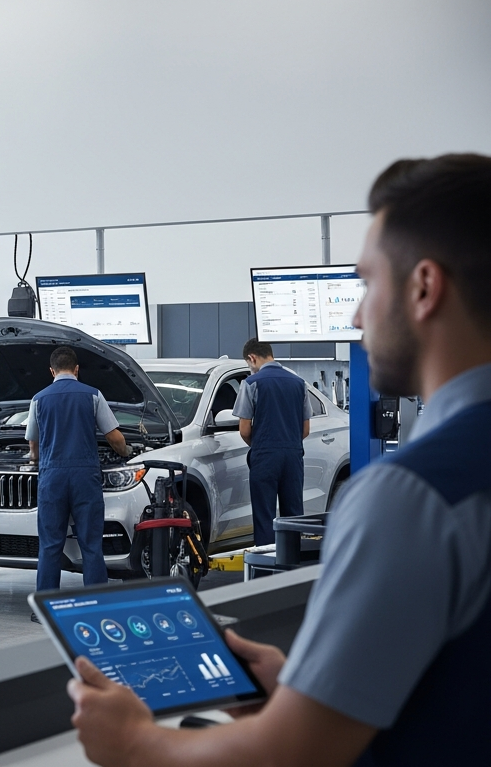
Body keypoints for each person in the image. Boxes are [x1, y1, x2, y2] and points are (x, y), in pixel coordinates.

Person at [68, 153, 491, 766]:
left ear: (424, 288)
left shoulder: (412, 497)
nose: (356, 316)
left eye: (368, 284)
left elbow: (294, 752)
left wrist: (135, 743)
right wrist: (310, 684)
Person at [27, 346, 131, 604]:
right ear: (76, 369)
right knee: (91, 544)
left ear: (51, 371)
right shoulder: (93, 395)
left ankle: (47, 606)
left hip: (52, 478)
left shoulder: (38, 399)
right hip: (85, 478)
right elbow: (114, 437)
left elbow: (33, 445)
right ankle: (96, 604)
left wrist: (37, 461)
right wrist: (126, 452)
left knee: (50, 545)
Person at [233, 338, 313, 545]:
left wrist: (261, 445)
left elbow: (244, 430)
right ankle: (293, 560)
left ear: (252, 358)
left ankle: (266, 561)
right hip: (293, 455)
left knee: (264, 516)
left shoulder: (251, 383)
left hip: (264, 455)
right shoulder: (299, 383)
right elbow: (305, 430)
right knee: (294, 515)